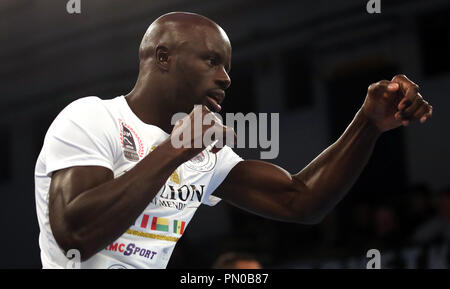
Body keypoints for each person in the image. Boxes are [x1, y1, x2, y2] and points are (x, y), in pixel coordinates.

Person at [34, 12, 433, 269]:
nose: (225, 77)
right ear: (163, 57)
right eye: (211, 61)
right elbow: (75, 236)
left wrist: (367, 124)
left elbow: (301, 201)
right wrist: (174, 150)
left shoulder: (204, 152)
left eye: (226, 66)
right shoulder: (91, 117)